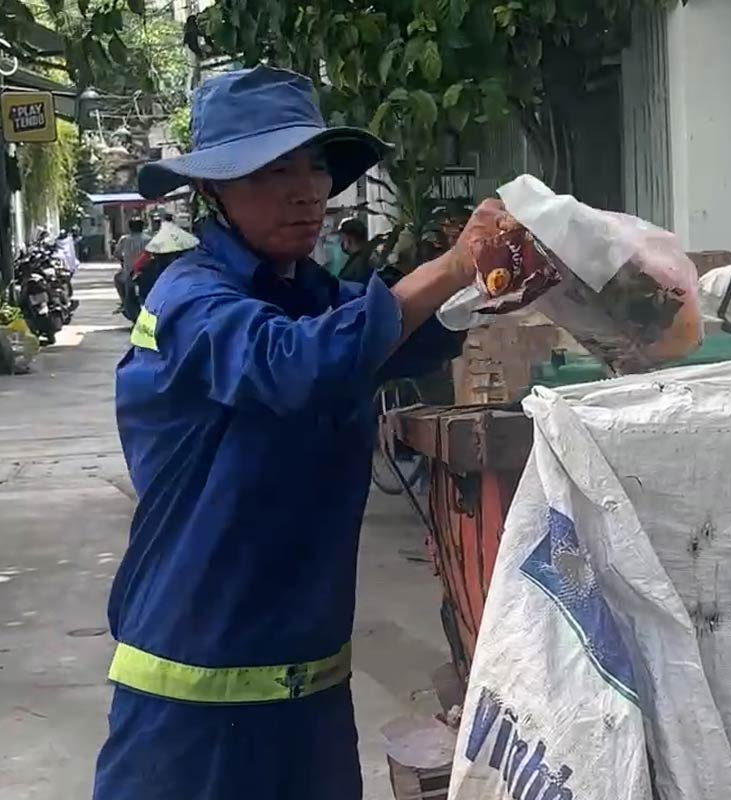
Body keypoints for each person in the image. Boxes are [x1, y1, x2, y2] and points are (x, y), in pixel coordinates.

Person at [92, 65, 500, 800]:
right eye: (272, 171)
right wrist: (449, 266)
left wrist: (491, 284)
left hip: (307, 688)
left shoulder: (308, 294)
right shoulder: (190, 298)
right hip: (191, 704)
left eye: (313, 167)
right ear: (212, 192)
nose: (306, 190)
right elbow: (299, 364)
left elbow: (390, 336)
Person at [112, 219, 149, 314]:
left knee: (117, 278)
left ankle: (124, 302)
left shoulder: (124, 239)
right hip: (146, 272)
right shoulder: (149, 239)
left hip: (129, 272)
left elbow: (117, 253)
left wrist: (122, 260)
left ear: (130, 228)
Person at [336, 216, 373, 283]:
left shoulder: (358, 265)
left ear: (349, 239)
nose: (341, 242)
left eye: (342, 238)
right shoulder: (366, 258)